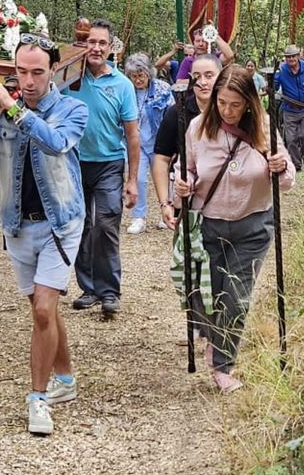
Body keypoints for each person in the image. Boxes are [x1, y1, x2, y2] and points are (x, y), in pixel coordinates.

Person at [0, 37, 88, 436]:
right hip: (17, 226)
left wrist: (15, 108)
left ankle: (37, 399)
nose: (29, 80)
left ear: (53, 70)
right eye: (22, 71)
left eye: (37, 72)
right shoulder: (2, 113)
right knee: (44, 310)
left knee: (42, 309)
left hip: (60, 224)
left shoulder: (73, 108)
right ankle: (65, 379)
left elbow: (55, 144)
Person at [175, 62, 293, 392]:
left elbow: (288, 182)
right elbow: (187, 171)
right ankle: (212, 336)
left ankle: (223, 366)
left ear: (249, 103)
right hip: (208, 226)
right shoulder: (198, 128)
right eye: (222, 102)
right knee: (202, 296)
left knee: (236, 299)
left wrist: (279, 168)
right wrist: (183, 184)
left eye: (236, 104)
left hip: (252, 227)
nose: (227, 111)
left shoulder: (265, 128)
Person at [71, 19, 139, 320]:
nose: (96, 48)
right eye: (91, 42)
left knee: (106, 224)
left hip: (110, 163)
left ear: (111, 47)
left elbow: (132, 134)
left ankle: (110, 291)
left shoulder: (122, 85)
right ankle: (89, 288)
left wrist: (133, 180)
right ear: (83, 44)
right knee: (79, 225)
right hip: (73, 162)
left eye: (102, 43)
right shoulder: (69, 78)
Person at [151, 50, 222, 340]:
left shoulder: (232, 108)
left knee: (220, 262)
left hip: (225, 200)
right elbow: (161, 158)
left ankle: (221, 319)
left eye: (209, 76)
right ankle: (198, 318)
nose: (203, 82)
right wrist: (165, 201)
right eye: (197, 76)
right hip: (188, 199)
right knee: (190, 261)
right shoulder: (179, 111)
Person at [123, 52, 172, 234]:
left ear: (148, 73)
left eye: (141, 76)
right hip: (137, 145)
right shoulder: (127, 91)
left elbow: (171, 115)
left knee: (164, 180)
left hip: (159, 143)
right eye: (134, 76)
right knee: (139, 180)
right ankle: (138, 217)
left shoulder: (163, 89)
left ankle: (166, 213)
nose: (137, 80)